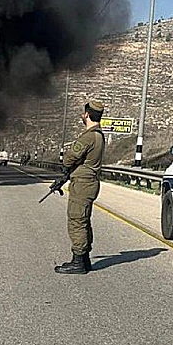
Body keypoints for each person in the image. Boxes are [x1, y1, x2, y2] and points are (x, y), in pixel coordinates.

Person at [54, 99, 106, 275]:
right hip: (90, 182)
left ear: (86, 115)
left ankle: (78, 262)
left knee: (76, 220)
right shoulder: (99, 135)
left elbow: (70, 157)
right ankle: (84, 259)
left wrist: (66, 166)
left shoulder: (89, 136)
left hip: (83, 184)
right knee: (84, 220)